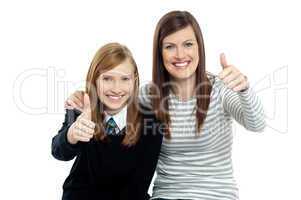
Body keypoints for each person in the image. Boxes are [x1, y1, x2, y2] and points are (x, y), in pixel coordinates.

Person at [65, 11, 266, 200]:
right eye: (170, 46)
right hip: (167, 195)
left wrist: (244, 90)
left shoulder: (221, 89)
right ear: (160, 52)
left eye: (188, 44)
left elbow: (257, 124)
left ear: (199, 48)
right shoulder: (147, 96)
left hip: (216, 194)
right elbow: (112, 103)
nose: (180, 54)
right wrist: (82, 96)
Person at [52, 43, 163, 200]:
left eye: (125, 79)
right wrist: (72, 134)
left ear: (135, 80)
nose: (116, 88)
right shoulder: (82, 107)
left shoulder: (150, 121)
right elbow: (58, 151)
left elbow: (140, 182)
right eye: (107, 78)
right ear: (95, 79)